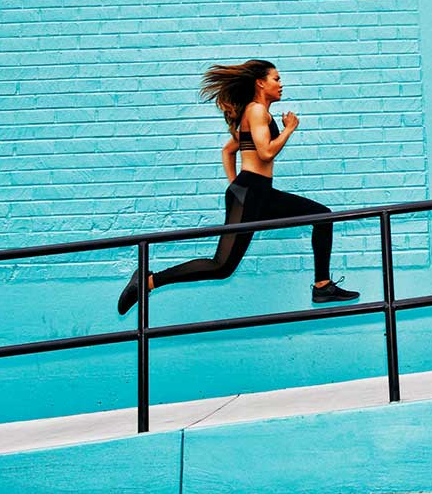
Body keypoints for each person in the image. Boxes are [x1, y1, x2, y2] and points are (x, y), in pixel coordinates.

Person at [117, 59, 359, 315]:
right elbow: (265, 153)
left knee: (322, 217)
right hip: (251, 192)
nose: (281, 84)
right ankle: (148, 281)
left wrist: (235, 184)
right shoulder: (255, 111)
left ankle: (322, 286)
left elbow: (229, 150)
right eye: (276, 79)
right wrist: (288, 130)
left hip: (256, 192)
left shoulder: (256, 113)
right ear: (260, 83)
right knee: (221, 266)